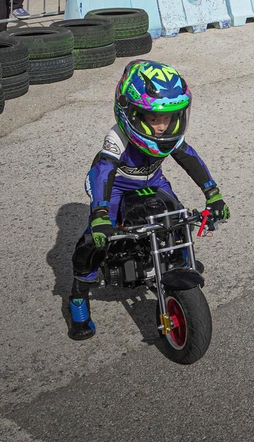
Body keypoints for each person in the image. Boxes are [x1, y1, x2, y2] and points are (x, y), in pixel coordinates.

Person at [64, 60, 231, 339]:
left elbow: (189, 158)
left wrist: (213, 195)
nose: (162, 126)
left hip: (152, 179)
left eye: (168, 118)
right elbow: (103, 170)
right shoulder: (117, 136)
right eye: (154, 118)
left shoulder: (170, 136)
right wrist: (100, 214)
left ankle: (179, 261)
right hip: (114, 186)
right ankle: (79, 294)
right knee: (95, 239)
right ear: (130, 112)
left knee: (178, 218)